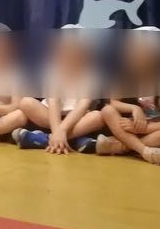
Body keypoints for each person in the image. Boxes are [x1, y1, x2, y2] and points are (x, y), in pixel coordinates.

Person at [96, 26, 160, 166]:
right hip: (130, 126)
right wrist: (134, 109)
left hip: (154, 129)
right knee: (107, 110)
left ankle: (120, 147)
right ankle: (145, 151)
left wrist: (143, 129)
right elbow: (113, 102)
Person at [13, 25, 105, 154]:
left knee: (98, 117)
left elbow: (83, 105)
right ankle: (73, 140)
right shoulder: (52, 71)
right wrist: (58, 130)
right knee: (26, 102)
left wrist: (62, 131)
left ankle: (45, 139)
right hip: (51, 116)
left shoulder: (91, 74)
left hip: (77, 118)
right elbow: (53, 102)